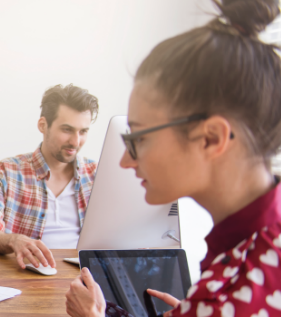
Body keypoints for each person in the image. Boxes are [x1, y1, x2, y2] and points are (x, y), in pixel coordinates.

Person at [66, 0, 281, 316]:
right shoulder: (246, 265)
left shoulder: (226, 299)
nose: (125, 161)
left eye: (138, 138)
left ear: (211, 138)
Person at [0, 84, 99, 269]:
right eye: (67, 130)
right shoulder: (4, 172)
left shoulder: (97, 174)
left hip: (86, 277)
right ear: (43, 125)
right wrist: (14, 240)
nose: (76, 142)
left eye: (83, 131)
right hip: (27, 279)